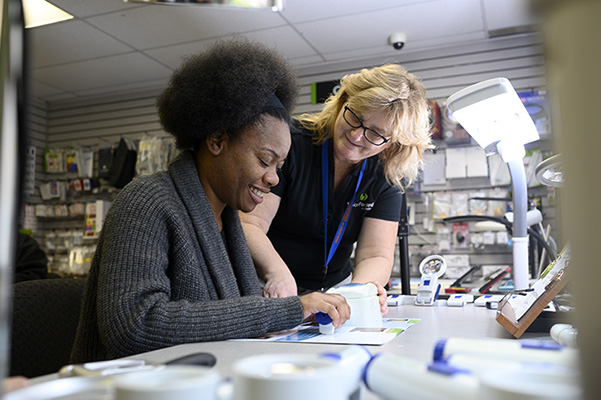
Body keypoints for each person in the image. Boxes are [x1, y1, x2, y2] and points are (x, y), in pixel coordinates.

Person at [70, 38, 350, 363]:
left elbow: (233, 321)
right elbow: (135, 326)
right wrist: (289, 310)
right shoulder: (146, 201)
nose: (273, 178)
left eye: (279, 166)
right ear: (217, 140)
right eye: (264, 160)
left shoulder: (228, 222)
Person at [240, 64, 433, 310]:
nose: (357, 135)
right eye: (356, 117)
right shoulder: (291, 144)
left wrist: (358, 293)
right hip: (267, 283)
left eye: (375, 133)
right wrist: (278, 275)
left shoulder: (386, 175)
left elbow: (376, 254)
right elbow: (250, 224)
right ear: (343, 101)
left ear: (392, 144)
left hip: (335, 288)